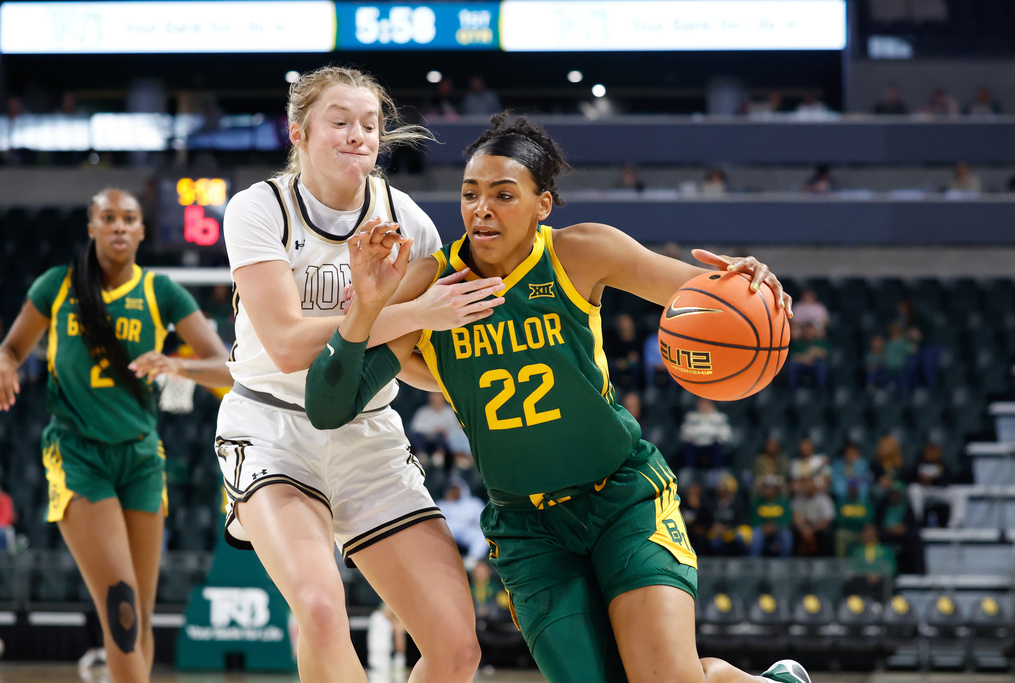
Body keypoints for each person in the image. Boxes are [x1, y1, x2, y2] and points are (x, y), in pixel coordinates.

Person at [304, 113, 811, 683]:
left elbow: (703, 293)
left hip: (622, 497)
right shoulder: (433, 284)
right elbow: (328, 407)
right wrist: (366, 310)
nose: (482, 209)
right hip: (529, 529)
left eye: (503, 194)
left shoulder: (581, 252)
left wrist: (749, 283)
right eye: (470, 194)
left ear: (543, 204)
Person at [216, 66, 489, 683]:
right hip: (272, 430)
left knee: (456, 650)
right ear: (298, 133)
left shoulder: (410, 223)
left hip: (368, 432)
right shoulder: (259, 208)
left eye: (370, 125)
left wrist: (462, 378)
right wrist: (408, 310)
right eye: (338, 122)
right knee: (318, 608)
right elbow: (287, 344)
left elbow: (404, 356)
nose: (357, 135)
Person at [0, 188, 232, 682]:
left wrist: (176, 364)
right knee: (121, 607)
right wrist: (4, 363)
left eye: (129, 218)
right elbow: (13, 348)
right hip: (78, 456)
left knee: (140, 618)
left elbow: (227, 371)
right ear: (92, 227)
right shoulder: (56, 286)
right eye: (109, 218)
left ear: (142, 230)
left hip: (142, 459)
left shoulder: (162, 292)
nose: (120, 227)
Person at [678, 398, 733, 471]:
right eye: (702, 403)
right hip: (696, 444)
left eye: (706, 403)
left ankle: (716, 471)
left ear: (711, 404)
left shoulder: (720, 417)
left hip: (712, 444)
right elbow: (685, 432)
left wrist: (714, 437)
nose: (704, 406)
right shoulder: (691, 416)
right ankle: (689, 471)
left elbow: (726, 433)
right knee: (687, 446)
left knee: (718, 447)